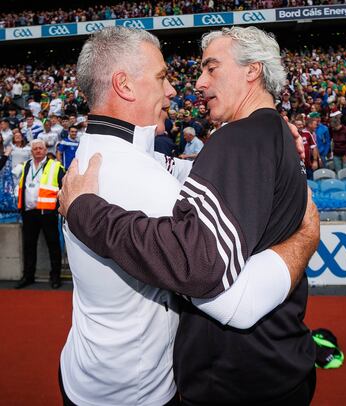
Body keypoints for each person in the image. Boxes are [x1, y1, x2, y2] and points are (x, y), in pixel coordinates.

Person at [60, 26, 319, 406]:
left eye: (210, 69)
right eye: (162, 78)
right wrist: (307, 235)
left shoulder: (105, 152)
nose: (175, 90)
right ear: (125, 85)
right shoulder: (135, 179)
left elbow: (176, 167)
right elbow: (238, 303)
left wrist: (265, 150)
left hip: (92, 372)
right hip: (134, 394)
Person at [15, 139, 64, 289]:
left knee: (53, 244)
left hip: (47, 213)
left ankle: (55, 276)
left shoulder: (55, 166)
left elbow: (63, 188)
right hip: (29, 212)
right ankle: (28, 276)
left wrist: (59, 207)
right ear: (31, 151)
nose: (37, 151)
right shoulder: (26, 165)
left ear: (45, 150)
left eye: (40, 148)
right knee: (29, 245)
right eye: (35, 148)